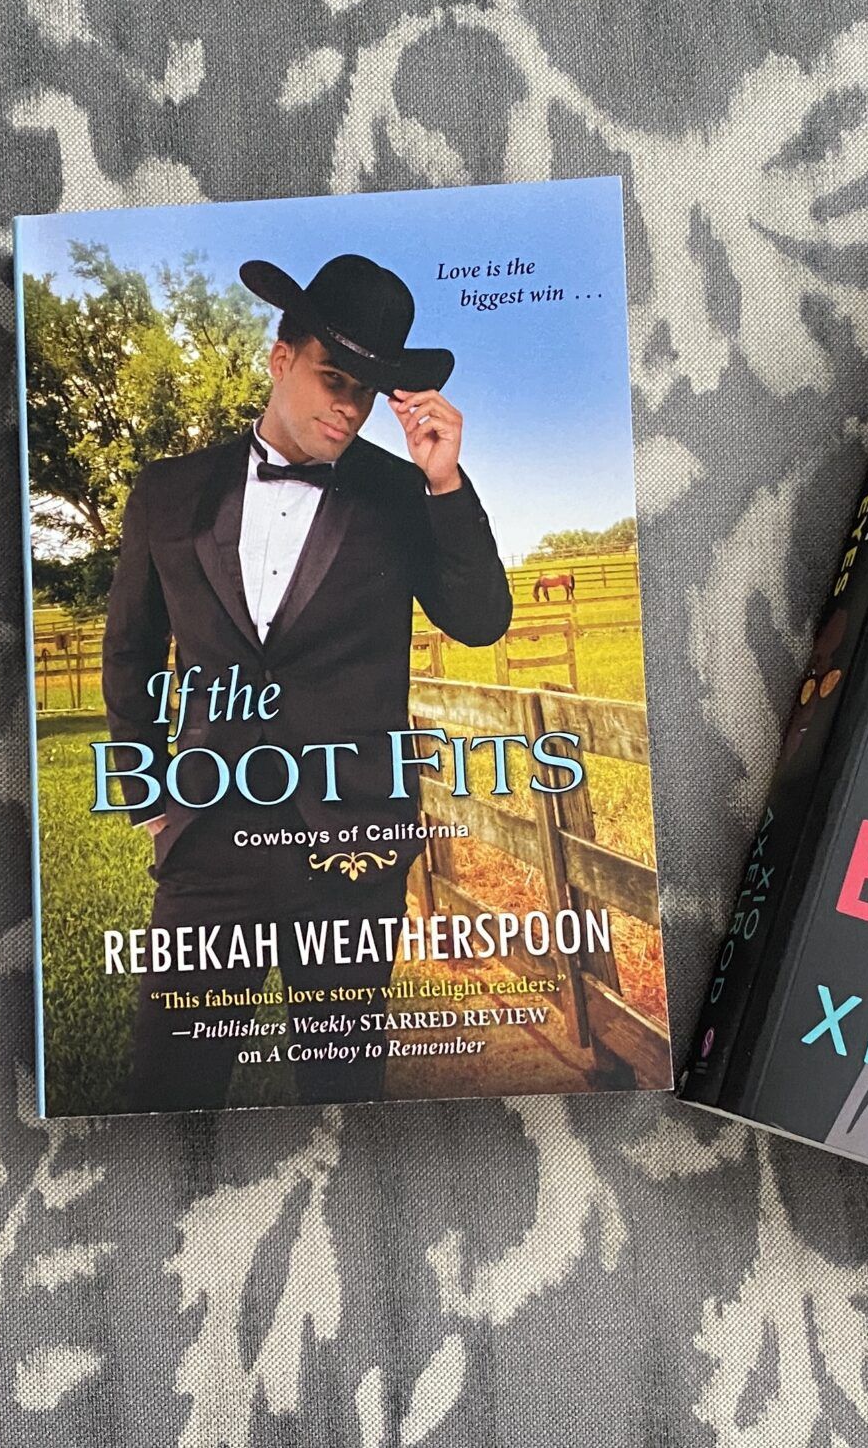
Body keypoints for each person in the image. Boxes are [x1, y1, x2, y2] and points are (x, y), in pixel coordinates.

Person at [102, 252, 515, 1110]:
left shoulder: (404, 494)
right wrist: (147, 792)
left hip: (353, 846)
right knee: (164, 1085)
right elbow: (132, 651)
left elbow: (480, 620)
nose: (350, 409)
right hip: (207, 837)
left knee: (340, 1092)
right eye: (334, 379)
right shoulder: (167, 494)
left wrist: (444, 480)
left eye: (365, 392)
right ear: (278, 357)